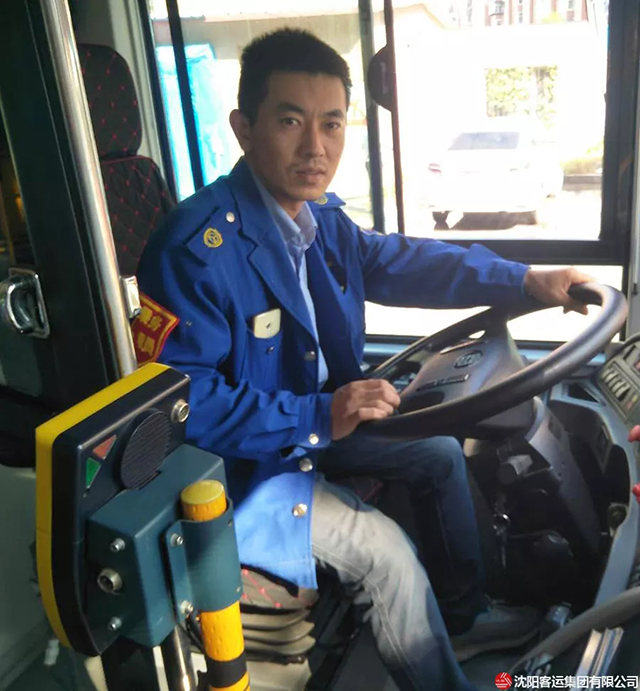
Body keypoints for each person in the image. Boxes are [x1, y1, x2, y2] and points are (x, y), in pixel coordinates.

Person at [137, 28, 591, 691]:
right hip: (244, 473)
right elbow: (182, 404)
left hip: (315, 429)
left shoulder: (319, 220)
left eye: (331, 123)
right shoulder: (196, 248)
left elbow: (406, 262)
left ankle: (462, 617)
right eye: (290, 121)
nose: (315, 147)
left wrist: (524, 280)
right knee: (384, 552)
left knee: (438, 453)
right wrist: (319, 414)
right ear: (243, 128)